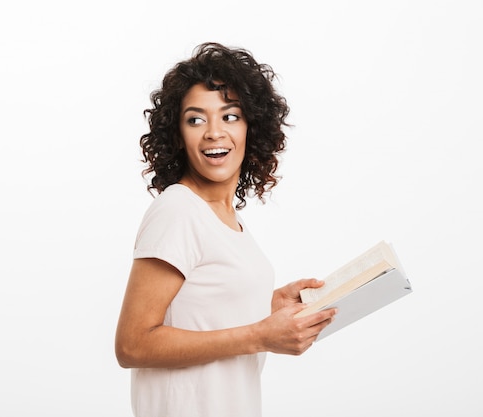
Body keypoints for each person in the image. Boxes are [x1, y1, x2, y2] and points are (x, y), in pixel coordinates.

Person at [115, 42, 337, 417]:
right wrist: (260, 335)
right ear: (177, 134)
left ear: (253, 126)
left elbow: (200, 311)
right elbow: (132, 345)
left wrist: (268, 306)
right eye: (196, 119)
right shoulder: (178, 210)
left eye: (230, 116)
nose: (213, 133)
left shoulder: (225, 216)